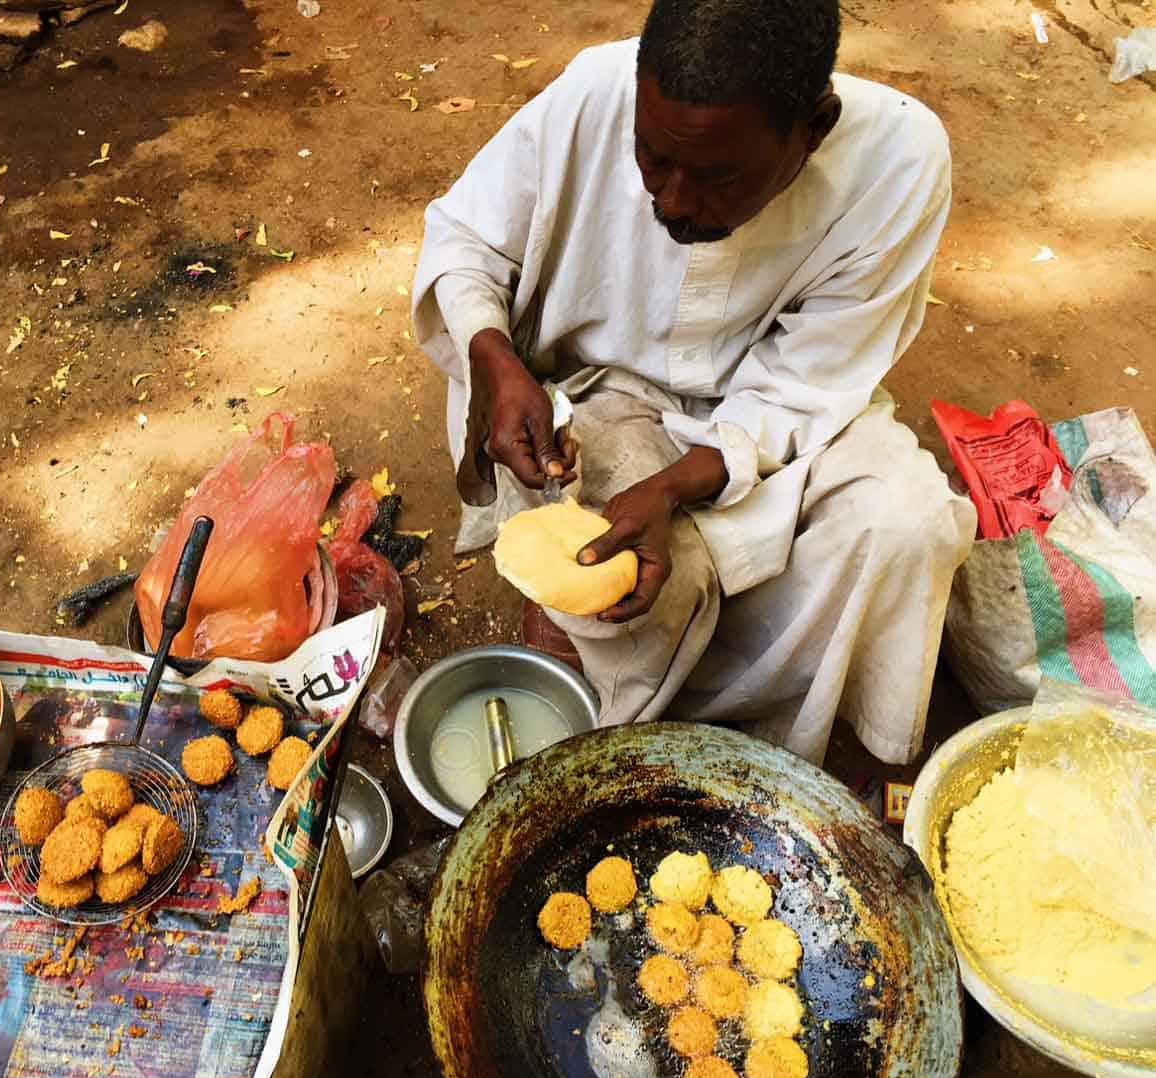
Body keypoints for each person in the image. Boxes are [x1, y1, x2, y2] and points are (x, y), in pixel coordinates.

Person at [412, 0, 976, 764]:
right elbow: (465, 236)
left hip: (781, 417)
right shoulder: (596, 93)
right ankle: (595, 692)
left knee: (907, 523)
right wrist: (493, 355)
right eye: (653, 158)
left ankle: (769, 750)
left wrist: (680, 486)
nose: (673, 202)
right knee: (603, 567)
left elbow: (814, 382)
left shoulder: (900, 163)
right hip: (601, 396)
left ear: (812, 130)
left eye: (718, 177)